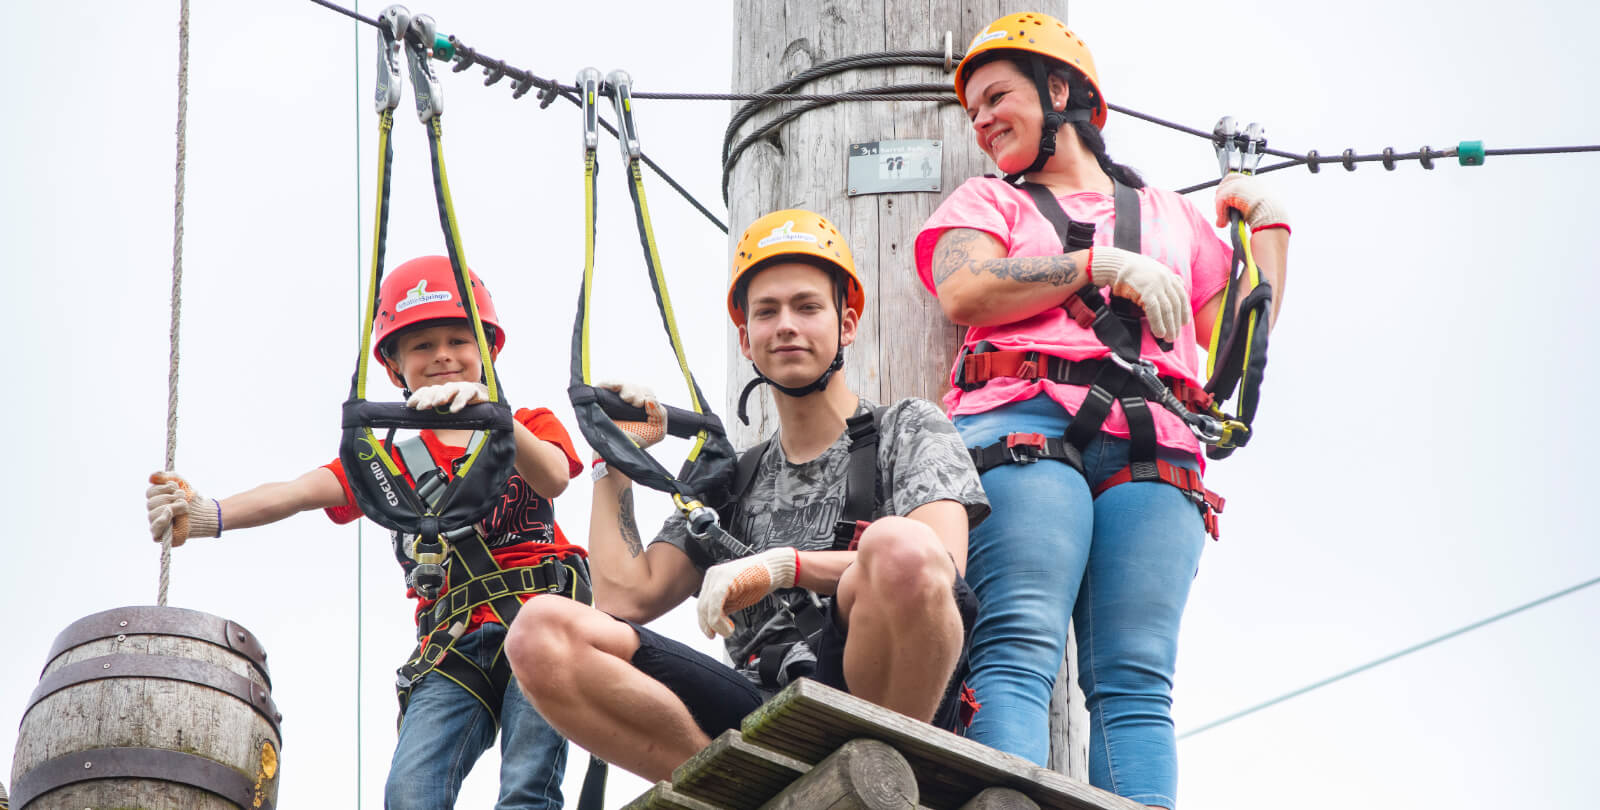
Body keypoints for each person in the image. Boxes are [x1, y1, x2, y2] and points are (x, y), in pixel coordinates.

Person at [914, 13, 1292, 809]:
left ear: (1060, 93)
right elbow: (965, 287)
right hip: (1025, 422)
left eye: (996, 99)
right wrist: (1098, 264)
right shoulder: (986, 200)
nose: (981, 123)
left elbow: (1229, 349)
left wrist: (1270, 232)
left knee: (1135, 679)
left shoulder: (1171, 216)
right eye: (973, 110)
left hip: (1154, 441)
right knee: (1016, 645)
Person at [503, 209, 990, 782]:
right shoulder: (734, 478)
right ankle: (726, 788)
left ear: (847, 323)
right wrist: (616, 459)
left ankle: (878, 774)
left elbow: (936, 564)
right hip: (766, 710)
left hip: (881, 696)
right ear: (746, 338)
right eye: (767, 312)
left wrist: (782, 567)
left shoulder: (907, 429)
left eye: (807, 307)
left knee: (897, 546)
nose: (786, 325)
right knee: (540, 633)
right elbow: (622, 597)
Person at [144, 256, 585, 810]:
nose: (444, 355)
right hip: (453, 646)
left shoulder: (528, 426)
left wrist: (496, 416)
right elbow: (299, 491)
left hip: (542, 619)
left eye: (458, 340)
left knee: (528, 781)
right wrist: (207, 514)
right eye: (422, 346)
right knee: (410, 794)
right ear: (396, 367)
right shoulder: (388, 464)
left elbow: (554, 475)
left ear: (487, 352)